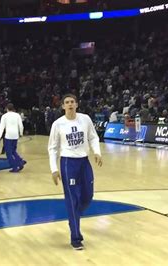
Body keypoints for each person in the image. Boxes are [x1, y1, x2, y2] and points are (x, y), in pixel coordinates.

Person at [48, 94, 103, 250]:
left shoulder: (85, 119)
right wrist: (54, 169)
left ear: (77, 104)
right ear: (63, 106)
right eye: (67, 102)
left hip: (84, 162)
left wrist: (97, 152)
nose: (70, 104)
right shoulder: (58, 124)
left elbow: (93, 137)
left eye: (72, 102)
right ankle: (75, 237)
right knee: (72, 200)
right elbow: (52, 148)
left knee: (87, 196)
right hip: (67, 163)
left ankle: (73, 217)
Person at [0, 103, 25, 172]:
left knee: (8, 153)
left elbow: (1, 127)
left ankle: (15, 166)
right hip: (15, 135)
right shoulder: (17, 115)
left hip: (8, 136)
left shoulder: (4, 116)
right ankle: (20, 161)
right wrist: (21, 133)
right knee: (13, 151)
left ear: (7, 109)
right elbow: (21, 125)